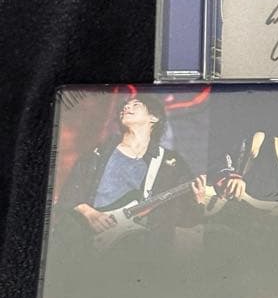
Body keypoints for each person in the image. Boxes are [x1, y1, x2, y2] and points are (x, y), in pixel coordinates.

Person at [60, 93, 205, 252]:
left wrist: (199, 201)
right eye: (125, 106)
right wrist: (89, 213)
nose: (127, 107)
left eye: (136, 105)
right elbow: (69, 193)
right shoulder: (99, 153)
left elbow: (186, 219)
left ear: (154, 118)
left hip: (144, 250)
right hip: (91, 243)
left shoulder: (171, 163)